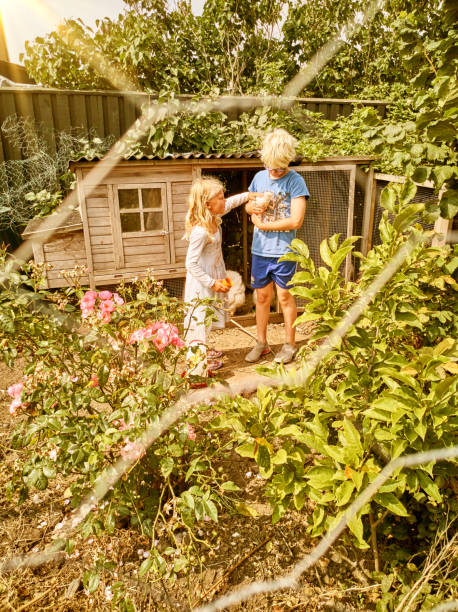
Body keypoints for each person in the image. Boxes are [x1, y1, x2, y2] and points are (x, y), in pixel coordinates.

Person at [245, 129, 309, 364]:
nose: (275, 172)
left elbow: (295, 221)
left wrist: (264, 225)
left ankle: (289, 345)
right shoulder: (259, 178)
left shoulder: (296, 181)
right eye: (271, 167)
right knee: (262, 297)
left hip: (284, 251)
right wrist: (252, 211)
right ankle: (261, 342)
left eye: (280, 168)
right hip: (260, 249)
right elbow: (248, 205)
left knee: (284, 296)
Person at [183, 176, 258, 375]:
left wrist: (248, 195)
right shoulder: (200, 231)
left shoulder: (213, 217)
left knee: (207, 320)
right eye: (220, 197)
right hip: (202, 284)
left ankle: (203, 354)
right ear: (207, 204)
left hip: (214, 277)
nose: (225, 200)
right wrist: (211, 282)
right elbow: (190, 263)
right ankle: (197, 370)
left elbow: (231, 203)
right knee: (198, 324)